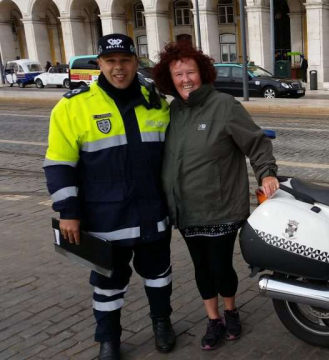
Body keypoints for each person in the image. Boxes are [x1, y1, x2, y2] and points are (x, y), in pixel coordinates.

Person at [43, 34, 176, 360]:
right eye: (111, 62)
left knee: (159, 275)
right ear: (100, 64)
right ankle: (108, 339)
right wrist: (68, 211)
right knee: (107, 282)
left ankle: (162, 324)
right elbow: (59, 164)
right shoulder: (73, 106)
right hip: (104, 219)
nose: (119, 68)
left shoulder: (155, 102)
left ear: (135, 63)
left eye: (125, 61)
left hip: (151, 211)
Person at [152, 41, 279, 351]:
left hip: (220, 206)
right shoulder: (172, 111)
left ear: (203, 73)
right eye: (178, 73)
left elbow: (256, 143)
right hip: (184, 209)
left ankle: (231, 311)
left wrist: (267, 172)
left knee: (220, 266)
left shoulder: (224, 105)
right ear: (170, 78)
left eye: (190, 72)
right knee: (200, 268)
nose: (185, 79)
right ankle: (213, 319)